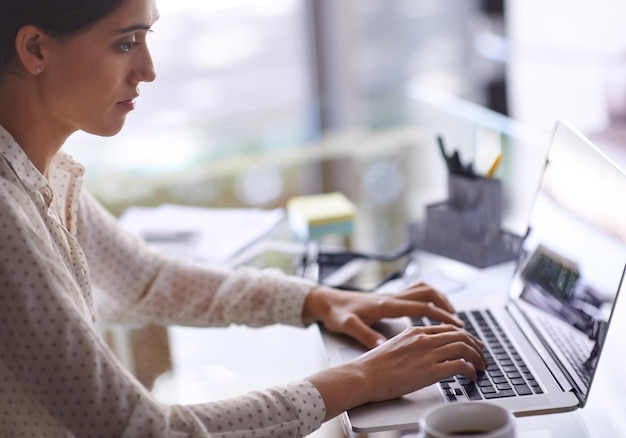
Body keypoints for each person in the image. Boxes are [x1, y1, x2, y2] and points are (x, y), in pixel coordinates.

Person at [0, 0, 486, 436]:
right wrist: (361, 378)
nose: (148, 70)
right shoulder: (7, 216)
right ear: (36, 48)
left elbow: (146, 279)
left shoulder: (45, 172)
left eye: (147, 39)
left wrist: (319, 299)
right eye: (125, 43)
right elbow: (144, 430)